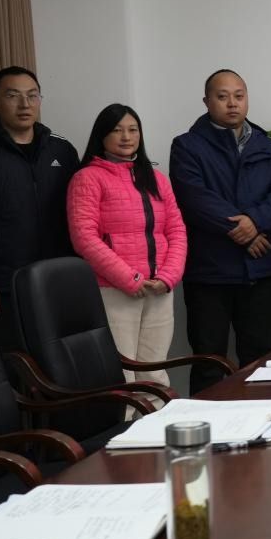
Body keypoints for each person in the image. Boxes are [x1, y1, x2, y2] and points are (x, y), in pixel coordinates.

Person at [169, 69, 271, 393]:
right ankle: (207, 424)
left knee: (260, 358)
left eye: (239, 96)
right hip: (210, 271)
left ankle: (262, 421)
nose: (232, 103)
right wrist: (246, 232)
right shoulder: (187, 146)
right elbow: (195, 198)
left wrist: (255, 222)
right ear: (207, 101)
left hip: (259, 269)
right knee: (209, 361)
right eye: (222, 97)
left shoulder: (266, 144)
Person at [67, 104, 186, 386]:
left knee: (155, 371)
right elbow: (84, 238)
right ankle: (126, 417)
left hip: (158, 289)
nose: (126, 137)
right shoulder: (87, 178)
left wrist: (168, 276)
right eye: (117, 130)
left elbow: (176, 230)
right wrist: (129, 279)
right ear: (102, 136)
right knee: (122, 374)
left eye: (133, 130)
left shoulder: (156, 178)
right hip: (115, 290)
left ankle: (157, 416)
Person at [0, 66, 79, 349]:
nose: (25, 104)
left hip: (57, 277)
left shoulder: (61, 149)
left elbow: (80, 214)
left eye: (32, 95)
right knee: (16, 361)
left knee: (61, 359)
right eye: (13, 96)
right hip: (4, 284)